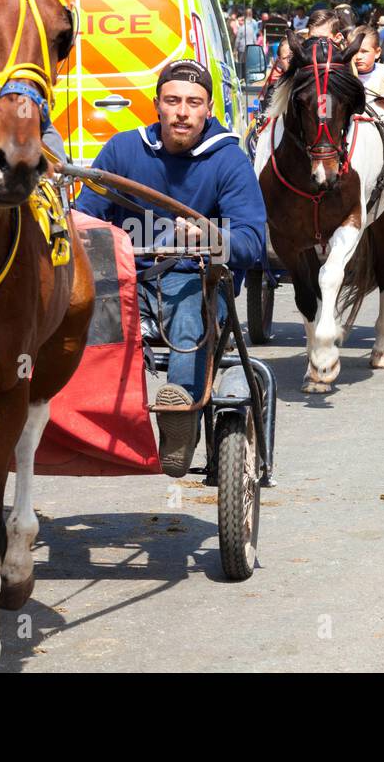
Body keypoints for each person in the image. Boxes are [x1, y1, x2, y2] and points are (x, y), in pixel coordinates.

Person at [73, 59, 267, 478]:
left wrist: (211, 237)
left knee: (189, 321)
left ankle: (179, 416)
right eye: (173, 100)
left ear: (209, 109)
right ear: (157, 105)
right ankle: (84, 420)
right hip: (128, 278)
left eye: (193, 102)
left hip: (194, 280)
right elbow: (83, 219)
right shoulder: (124, 150)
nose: (182, 111)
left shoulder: (228, 161)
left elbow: (252, 241)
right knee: (80, 298)